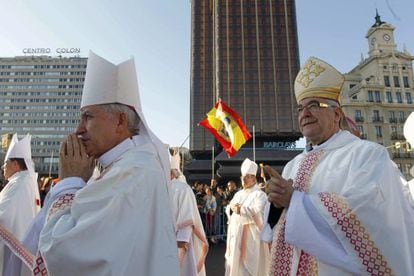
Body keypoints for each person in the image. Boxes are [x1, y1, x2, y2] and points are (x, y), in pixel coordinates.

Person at [7, 51, 180, 275]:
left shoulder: (133, 170)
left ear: (120, 121)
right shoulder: (125, 165)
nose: (79, 129)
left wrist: (69, 182)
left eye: (87, 117)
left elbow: (63, 249)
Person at [264, 56, 414, 275]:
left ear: (336, 114)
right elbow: (279, 226)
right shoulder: (292, 165)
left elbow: (370, 215)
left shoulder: (368, 155)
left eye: (314, 105)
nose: (304, 113)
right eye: (300, 108)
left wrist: (294, 200)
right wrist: (276, 204)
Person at [0, 134, 40, 273]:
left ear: (15, 164)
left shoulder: (18, 183)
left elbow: (4, 216)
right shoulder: (26, 182)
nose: (3, 167)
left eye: (6, 163)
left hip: (12, 249)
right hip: (24, 246)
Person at [225, 158, 270, 276]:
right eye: (242, 176)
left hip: (251, 238)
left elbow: (259, 213)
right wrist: (230, 209)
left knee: (248, 270)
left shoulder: (260, 194)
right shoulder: (238, 194)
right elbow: (229, 209)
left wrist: (241, 210)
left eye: (247, 176)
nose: (244, 179)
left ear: (254, 178)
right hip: (235, 236)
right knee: (235, 265)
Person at [169, 150, 208, 276]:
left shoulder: (182, 189)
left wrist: (180, 252)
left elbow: (186, 225)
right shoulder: (159, 187)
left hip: (176, 247)